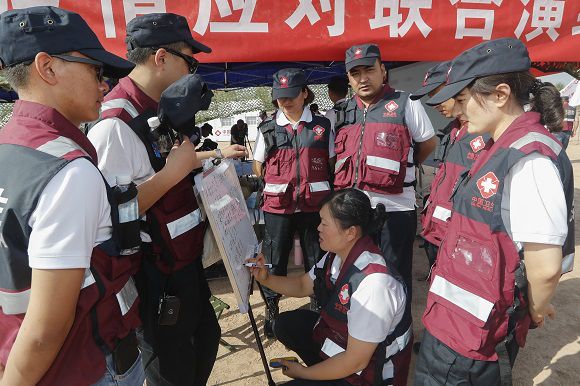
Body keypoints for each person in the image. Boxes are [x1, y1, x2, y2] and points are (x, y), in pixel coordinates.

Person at [87, 13, 245, 386]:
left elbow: (171, 168)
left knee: (206, 340)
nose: (193, 71)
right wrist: (173, 174)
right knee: (172, 370)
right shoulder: (115, 124)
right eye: (190, 62)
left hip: (185, 265)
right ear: (161, 57)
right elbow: (110, 215)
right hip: (153, 275)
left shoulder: (159, 109)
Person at [414, 38, 574, 385]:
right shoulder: (495, 146)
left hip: (475, 338)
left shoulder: (529, 159)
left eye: (463, 98)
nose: (456, 109)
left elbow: (545, 268)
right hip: (455, 323)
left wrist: (534, 309)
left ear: (500, 95)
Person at [0, 6, 144, 385]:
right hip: (83, 367)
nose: (104, 86)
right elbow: (46, 328)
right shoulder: (69, 172)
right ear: (47, 68)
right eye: (96, 71)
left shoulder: (9, 148)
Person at [247, 189, 413, 385]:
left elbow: (356, 361)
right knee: (285, 325)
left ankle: (323, 374)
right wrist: (266, 279)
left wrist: (302, 373)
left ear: (351, 232)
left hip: (367, 376)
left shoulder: (375, 284)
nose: (318, 228)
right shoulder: (336, 255)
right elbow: (302, 285)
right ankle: (325, 370)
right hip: (349, 349)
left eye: (325, 223)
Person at [334, 44, 436, 301]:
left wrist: (404, 168)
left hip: (396, 208)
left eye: (369, 70)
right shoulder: (339, 112)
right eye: (355, 73)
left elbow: (428, 143)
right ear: (349, 78)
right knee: (357, 274)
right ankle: (363, 335)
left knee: (395, 275)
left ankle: (397, 337)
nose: (363, 78)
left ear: (383, 70)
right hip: (354, 212)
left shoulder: (406, 103)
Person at [252, 68, 335, 338]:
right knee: (275, 261)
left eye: (290, 96)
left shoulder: (322, 126)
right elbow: (257, 166)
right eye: (279, 97)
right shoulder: (266, 128)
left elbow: (331, 162)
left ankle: (317, 307)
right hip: (279, 208)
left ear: (303, 93)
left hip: (314, 205)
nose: (284, 102)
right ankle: (272, 310)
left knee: (317, 258)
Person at [410, 61, 488, 279]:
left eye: (437, 93)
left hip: (462, 242)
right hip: (439, 234)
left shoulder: (487, 135)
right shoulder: (453, 131)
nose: (433, 103)